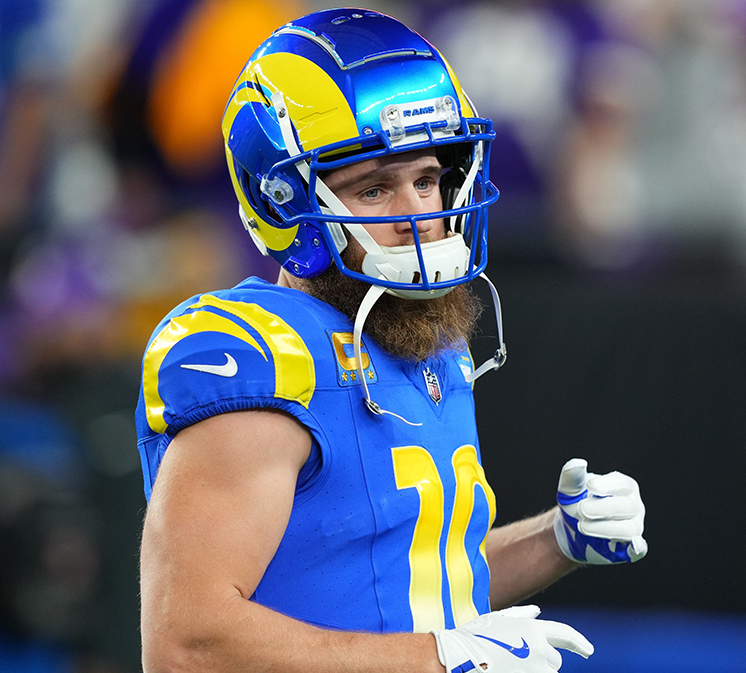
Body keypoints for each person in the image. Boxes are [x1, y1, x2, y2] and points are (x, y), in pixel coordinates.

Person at [135, 9, 649, 673]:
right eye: (375, 187)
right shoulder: (262, 355)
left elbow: (418, 579)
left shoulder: (419, 335)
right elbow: (186, 642)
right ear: (285, 202)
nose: (418, 214)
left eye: (428, 178)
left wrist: (556, 538)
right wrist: (436, 659)